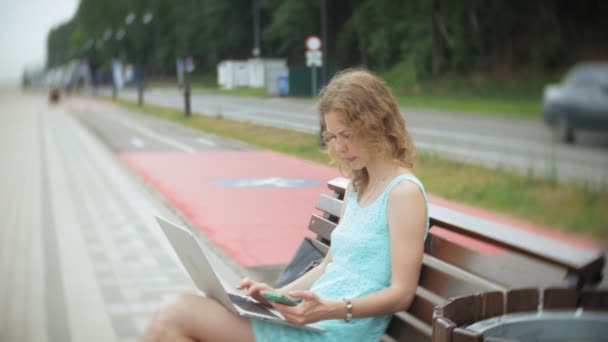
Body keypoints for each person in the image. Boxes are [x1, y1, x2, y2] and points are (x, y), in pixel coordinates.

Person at [141, 68, 429, 341]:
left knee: (173, 316)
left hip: (335, 331)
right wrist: (276, 296)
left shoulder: (403, 194)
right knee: (168, 320)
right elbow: (330, 266)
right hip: (312, 320)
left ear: (375, 125)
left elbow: (402, 293)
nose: (339, 147)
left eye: (347, 135)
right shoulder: (358, 186)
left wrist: (332, 309)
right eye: (333, 136)